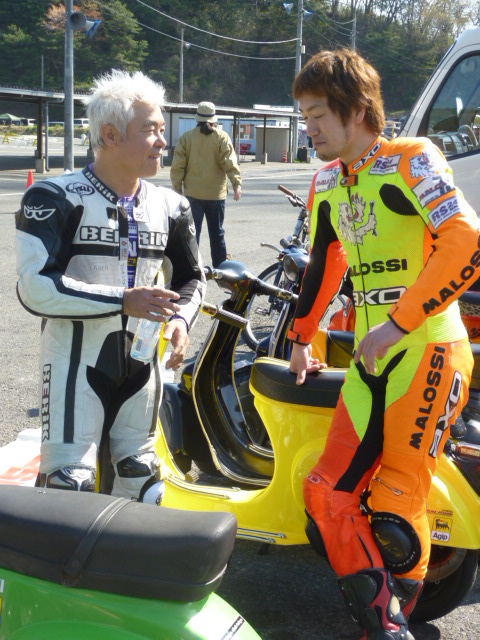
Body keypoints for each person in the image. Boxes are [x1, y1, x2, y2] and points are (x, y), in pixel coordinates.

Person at [288, 49, 480, 639]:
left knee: (396, 509)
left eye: (318, 115)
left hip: (429, 348)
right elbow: (323, 264)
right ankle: (387, 628)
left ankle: (392, 621)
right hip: (372, 359)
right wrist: (301, 337)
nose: (309, 129)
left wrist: (398, 322)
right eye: (304, 116)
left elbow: (467, 243)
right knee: (325, 495)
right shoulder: (326, 181)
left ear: (356, 109)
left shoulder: (412, 159)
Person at [15, 69, 205, 503]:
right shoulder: (53, 197)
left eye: (163, 129)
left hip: (143, 368)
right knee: (69, 486)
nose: (163, 141)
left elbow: (192, 277)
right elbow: (34, 288)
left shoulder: (172, 205)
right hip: (73, 366)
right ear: (110, 135)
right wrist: (123, 300)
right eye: (151, 130)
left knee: (144, 483)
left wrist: (180, 320)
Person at [170, 101, 242, 267]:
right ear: (213, 120)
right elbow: (230, 162)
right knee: (217, 234)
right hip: (216, 195)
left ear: (197, 118)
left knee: (192, 234)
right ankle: (221, 268)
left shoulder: (186, 138)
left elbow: (178, 166)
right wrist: (236, 184)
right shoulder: (221, 137)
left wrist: (177, 188)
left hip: (192, 195)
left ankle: (191, 267)